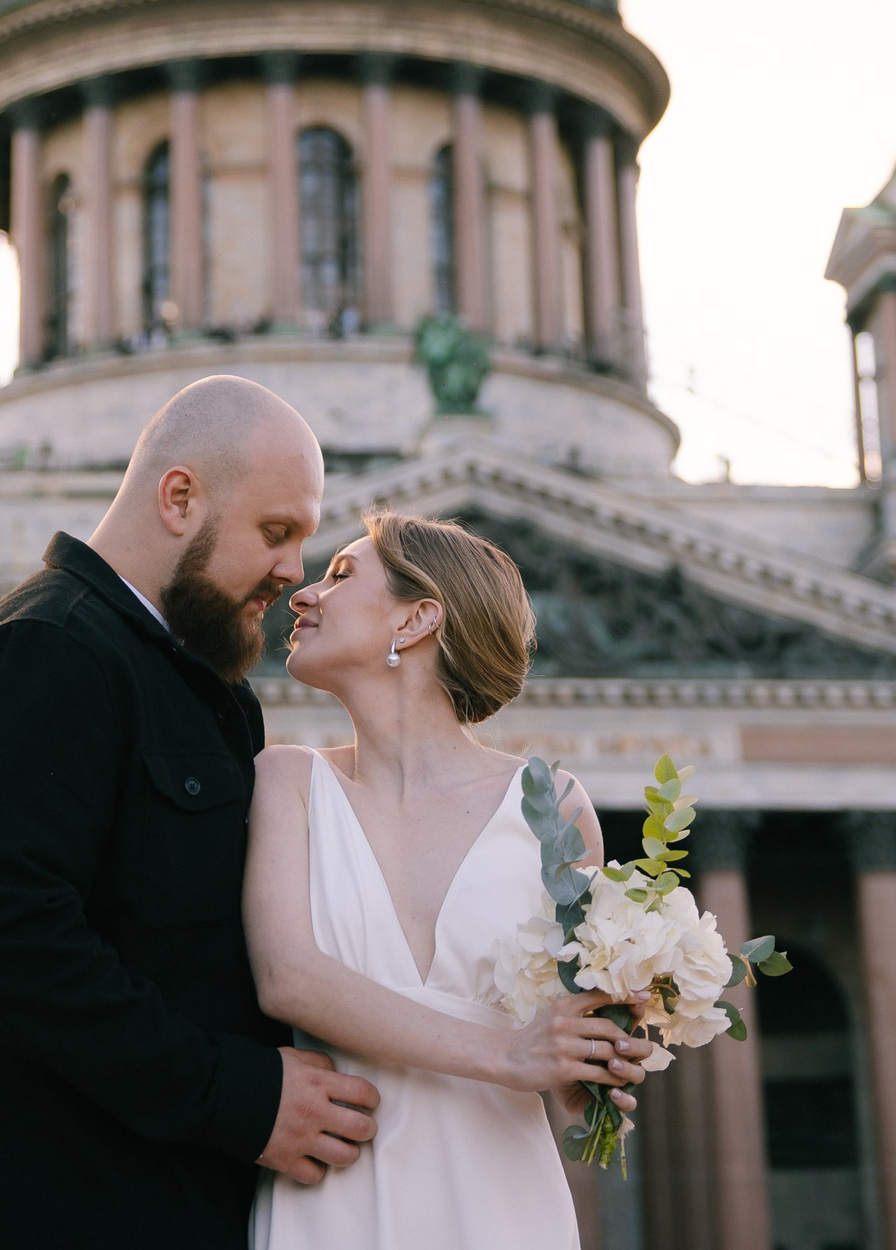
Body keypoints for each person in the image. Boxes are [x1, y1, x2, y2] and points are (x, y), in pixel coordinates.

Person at [0, 376, 385, 1249]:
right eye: (276, 531)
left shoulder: (200, 680)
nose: (295, 570)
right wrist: (239, 1095)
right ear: (180, 497)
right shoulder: (49, 648)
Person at [246, 512, 650, 1250]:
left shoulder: (554, 808)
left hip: (500, 1201)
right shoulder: (287, 780)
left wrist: (592, 1064)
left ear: (418, 616)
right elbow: (288, 979)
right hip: (334, 1196)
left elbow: (565, 1060)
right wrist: (508, 1053)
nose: (302, 595)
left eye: (339, 574)